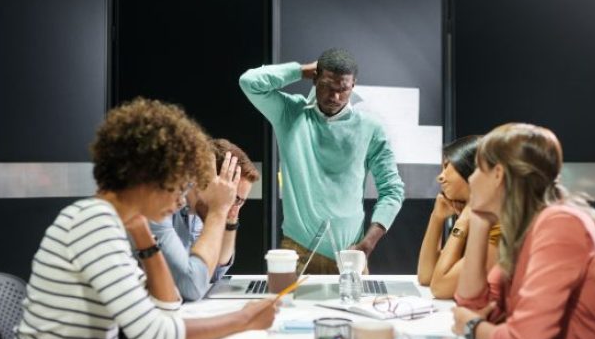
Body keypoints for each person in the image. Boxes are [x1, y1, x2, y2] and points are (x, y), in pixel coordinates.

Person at [13, 98, 277, 339]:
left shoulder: (115, 223)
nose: (181, 200)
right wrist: (245, 319)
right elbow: (153, 335)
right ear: (147, 176)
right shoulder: (93, 222)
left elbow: (169, 304)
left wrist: (144, 236)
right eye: (176, 185)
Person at [451, 123, 595, 339]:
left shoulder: (560, 226)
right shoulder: (527, 230)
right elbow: (473, 305)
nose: (471, 179)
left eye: (478, 168)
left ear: (498, 174)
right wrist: (478, 221)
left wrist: (473, 328)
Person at [239, 48, 405, 274]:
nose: (335, 97)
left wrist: (368, 244)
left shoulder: (370, 128)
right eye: (327, 86)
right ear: (315, 79)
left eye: (343, 89)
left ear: (353, 86)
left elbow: (392, 190)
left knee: (355, 310)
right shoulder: (290, 112)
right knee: (287, 310)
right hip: (297, 251)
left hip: (351, 253)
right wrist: (300, 70)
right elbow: (250, 82)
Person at [151, 138, 260, 301]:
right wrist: (218, 210)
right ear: (206, 180)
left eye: (241, 201)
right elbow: (191, 286)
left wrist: (230, 220)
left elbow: (215, 273)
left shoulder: (199, 212)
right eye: (233, 198)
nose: (234, 207)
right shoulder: (161, 205)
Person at [416, 136, 501, 299]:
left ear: (473, 170)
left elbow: (440, 288)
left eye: (447, 167)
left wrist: (462, 222)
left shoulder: (498, 224)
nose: (440, 177)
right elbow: (426, 277)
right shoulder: (477, 217)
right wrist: (437, 217)